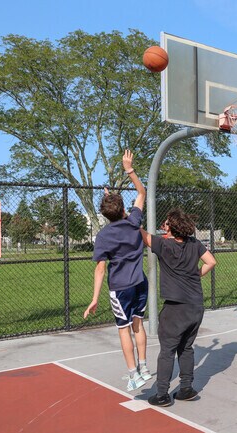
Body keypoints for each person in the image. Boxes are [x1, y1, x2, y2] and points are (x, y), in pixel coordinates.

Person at [83, 149, 152, 392]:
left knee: (123, 330)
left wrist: (93, 299)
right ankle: (144, 367)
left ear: (104, 214)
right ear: (123, 209)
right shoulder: (134, 222)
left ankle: (133, 374)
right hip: (139, 283)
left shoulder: (103, 236)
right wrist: (129, 169)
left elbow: (100, 270)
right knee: (138, 325)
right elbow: (142, 193)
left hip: (120, 288)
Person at [140, 208, 217, 407]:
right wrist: (196, 274)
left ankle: (162, 394)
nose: (163, 226)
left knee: (167, 350)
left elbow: (139, 233)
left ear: (171, 227)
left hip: (175, 308)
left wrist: (125, 214)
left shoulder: (164, 244)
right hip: (195, 306)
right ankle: (186, 388)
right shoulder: (195, 244)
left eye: (165, 223)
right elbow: (211, 261)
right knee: (186, 348)